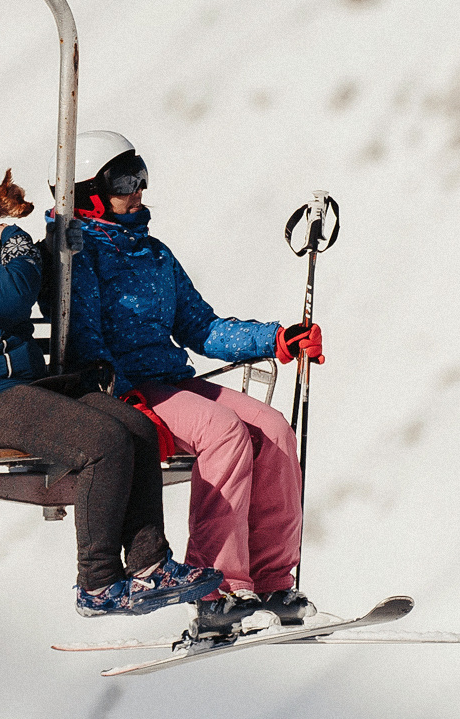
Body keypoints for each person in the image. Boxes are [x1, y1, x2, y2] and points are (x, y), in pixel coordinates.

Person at [0, 120, 221, 617]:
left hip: (15, 388)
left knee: (136, 428)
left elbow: (20, 282)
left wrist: (44, 250)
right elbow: (10, 295)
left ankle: (149, 565)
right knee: (103, 442)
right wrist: (14, 239)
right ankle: (98, 582)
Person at [62, 131, 326, 636]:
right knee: (224, 432)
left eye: (140, 176)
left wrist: (276, 340)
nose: (137, 190)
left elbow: (200, 327)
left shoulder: (155, 255)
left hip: (173, 380)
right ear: (88, 191)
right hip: (131, 388)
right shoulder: (78, 255)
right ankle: (216, 588)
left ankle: (272, 582)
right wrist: (108, 390)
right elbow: (83, 335)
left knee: (273, 429)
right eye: (123, 180)